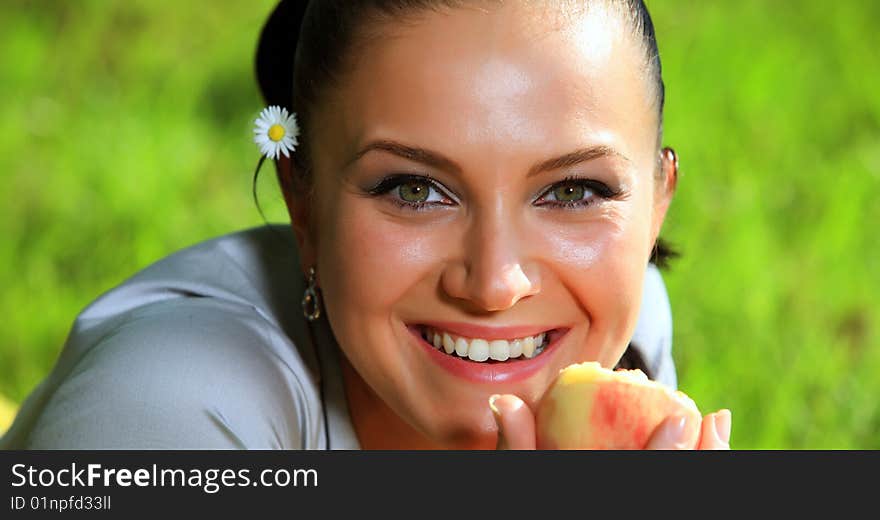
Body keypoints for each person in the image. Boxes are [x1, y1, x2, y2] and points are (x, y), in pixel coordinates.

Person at [1, 0, 731, 450]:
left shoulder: (621, 339)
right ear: (304, 203)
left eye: (573, 191)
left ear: (655, 203)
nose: (497, 284)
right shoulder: (169, 414)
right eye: (415, 189)